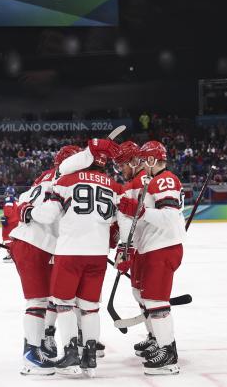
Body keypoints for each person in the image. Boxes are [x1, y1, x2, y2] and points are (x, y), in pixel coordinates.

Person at [18, 139, 122, 376]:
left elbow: (46, 215)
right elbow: (122, 220)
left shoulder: (64, 180)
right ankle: (90, 355)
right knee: (90, 307)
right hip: (97, 252)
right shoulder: (115, 186)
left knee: (61, 302)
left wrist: (27, 211)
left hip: (68, 249)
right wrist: (121, 245)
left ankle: (69, 350)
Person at [9, 145, 81, 375]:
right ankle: (31, 355)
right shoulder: (65, 180)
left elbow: (22, 201)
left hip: (33, 243)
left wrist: (25, 212)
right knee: (38, 301)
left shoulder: (44, 178)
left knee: (48, 297)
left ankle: (38, 346)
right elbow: (48, 213)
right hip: (36, 245)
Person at [116, 140, 185, 375]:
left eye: (145, 160)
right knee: (148, 298)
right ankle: (159, 342)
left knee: (156, 301)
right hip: (152, 246)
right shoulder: (153, 180)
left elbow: (169, 217)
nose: (142, 165)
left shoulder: (164, 179)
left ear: (152, 160)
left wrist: (140, 211)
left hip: (162, 246)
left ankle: (168, 355)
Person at [0, 186, 18, 263]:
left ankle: (11, 255)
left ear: (7, 193)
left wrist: (5, 217)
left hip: (10, 223)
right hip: (16, 222)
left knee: (7, 239)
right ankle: (15, 255)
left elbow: (8, 211)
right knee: (14, 240)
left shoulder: (8, 199)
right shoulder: (15, 199)